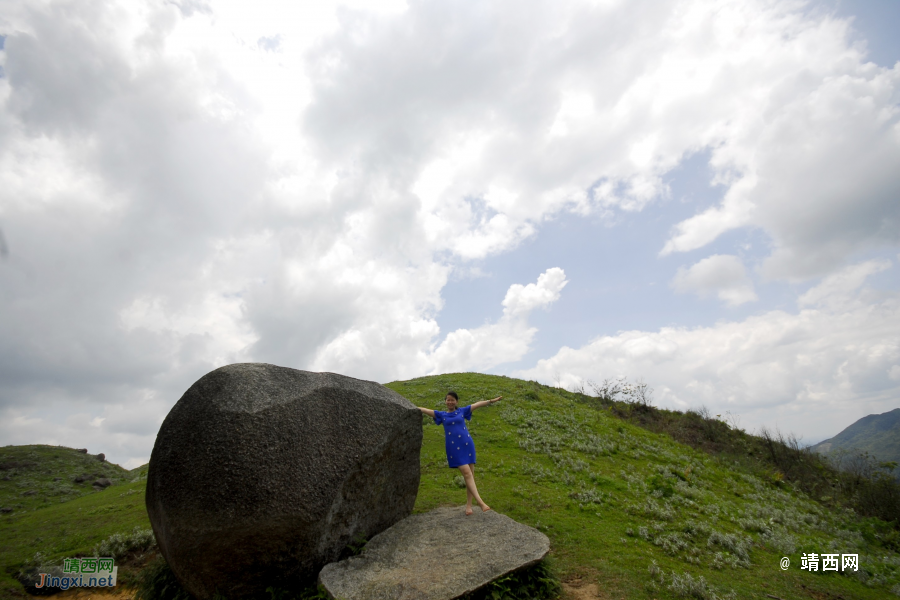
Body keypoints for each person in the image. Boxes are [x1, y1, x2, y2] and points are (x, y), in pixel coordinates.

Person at [417, 391, 502, 515]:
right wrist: (411, 406)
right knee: (467, 473)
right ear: (445, 401)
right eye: (448, 400)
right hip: (453, 448)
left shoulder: (462, 411)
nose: (450, 402)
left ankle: (469, 505)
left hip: (467, 445)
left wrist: (491, 401)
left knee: (470, 476)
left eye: (452, 400)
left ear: (456, 401)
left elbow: (477, 404)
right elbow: (425, 410)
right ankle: (480, 502)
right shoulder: (441, 415)